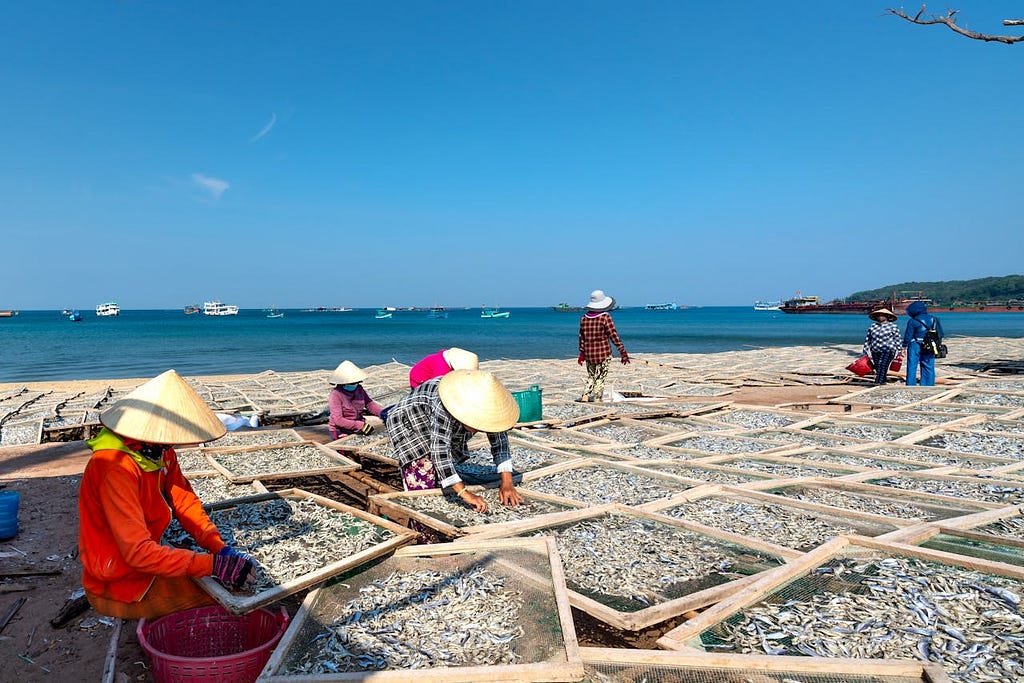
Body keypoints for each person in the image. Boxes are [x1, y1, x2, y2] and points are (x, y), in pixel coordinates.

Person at [78, 369, 257, 620]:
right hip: (120, 583)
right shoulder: (113, 466)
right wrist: (212, 565)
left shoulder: (157, 451)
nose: (173, 443)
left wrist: (218, 547)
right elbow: (138, 553)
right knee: (230, 603)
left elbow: (184, 500)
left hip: (147, 565)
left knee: (230, 589)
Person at [385, 369, 522, 513]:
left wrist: (507, 483)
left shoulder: (492, 406)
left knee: (440, 474)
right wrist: (464, 493)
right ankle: (422, 529)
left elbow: (500, 443)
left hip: (432, 418)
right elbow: (440, 451)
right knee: (422, 473)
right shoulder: (444, 403)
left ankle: (443, 479)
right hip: (408, 423)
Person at [578, 289, 629, 402]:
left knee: (591, 376)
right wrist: (622, 351)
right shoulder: (605, 317)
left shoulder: (584, 318)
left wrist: (581, 353)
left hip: (589, 353)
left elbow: (581, 337)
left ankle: (585, 395)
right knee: (600, 377)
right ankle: (597, 398)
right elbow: (613, 335)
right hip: (603, 353)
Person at [328, 360, 384, 439]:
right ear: (343, 383)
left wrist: (382, 413)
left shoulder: (359, 389)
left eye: (357, 382)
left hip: (358, 425)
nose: (355, 385)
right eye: (352, 383)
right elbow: (338, 420)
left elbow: (370, 404)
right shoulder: (335, 394)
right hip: (340, 429)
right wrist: (360, 425)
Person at [903, 300, 945, 386]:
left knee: (912, 366)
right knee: (928, 365)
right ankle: (928, 384)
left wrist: (904, 346)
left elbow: (908, 336)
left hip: (915, 344)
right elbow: (941, 334)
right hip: (930, 344)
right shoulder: (934, 319)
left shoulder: (913, 321)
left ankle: (911, 384)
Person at [862, 308, 902, 385]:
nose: (880, 317)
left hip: (888, 349)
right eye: (878, 315)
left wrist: (899, 351)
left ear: (887, 316)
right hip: (875, 349)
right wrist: (865, 350)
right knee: (877, 366)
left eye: (882, 315)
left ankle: (878, 382)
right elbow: (868, 339)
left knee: (882, 364)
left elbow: (897, 339)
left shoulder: (893, 326)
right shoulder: (873, 326)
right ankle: (882, 380)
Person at [408, 347, 479, 388]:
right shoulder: (442, 367)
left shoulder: (445, 358)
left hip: (422, 373)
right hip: (419, 379)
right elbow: (440, 383)